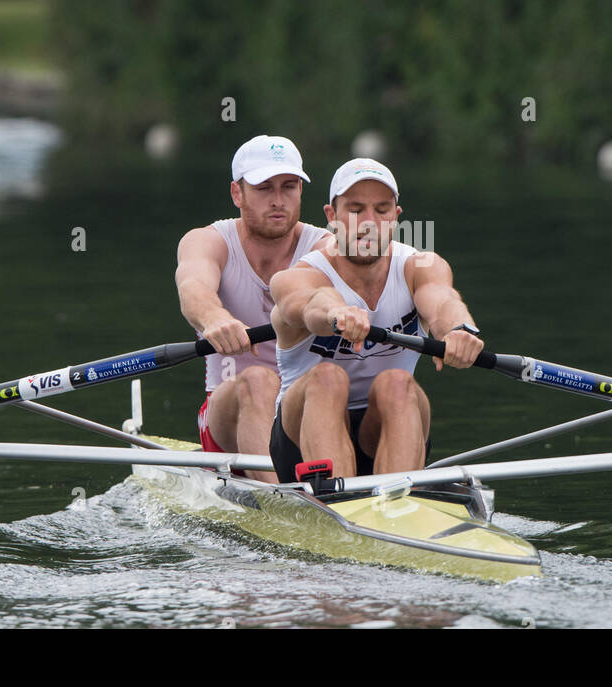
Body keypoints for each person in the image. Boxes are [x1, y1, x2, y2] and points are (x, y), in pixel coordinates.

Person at [267, 158, 484, 484]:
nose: (369, 222)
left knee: (397, 383)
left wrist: (459, 330)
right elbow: (312, 304)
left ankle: (396, 507)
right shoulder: (297, 276)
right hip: (300, 438)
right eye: (355, 210)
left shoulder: (420, 265)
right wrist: (337, 314)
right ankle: (336, 501)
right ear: (332, 217)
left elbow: (443, 303)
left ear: (395, 218)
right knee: (328, 377)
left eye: (381, 210)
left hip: (384, 427)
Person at [175, 135, 330, 482]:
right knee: (259, 380)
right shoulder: (209, 241)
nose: (278, 200)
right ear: (237, 194)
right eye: (263, 188)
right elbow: (193, 287)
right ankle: (282, 507)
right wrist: (216, 318)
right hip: (227, 411)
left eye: (289, 187)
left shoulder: (325, 247)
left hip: (305, 412)